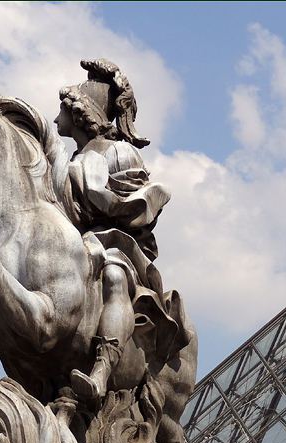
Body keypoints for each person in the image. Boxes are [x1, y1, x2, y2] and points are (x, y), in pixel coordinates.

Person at [55, 59, 186, 400]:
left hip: (117, 245)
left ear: (80, 114)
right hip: (72, 243)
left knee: (113, 275)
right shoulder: (64, 161)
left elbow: (138, 205)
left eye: (62, 110)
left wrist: (104, 199)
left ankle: (102, 368)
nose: (56, 119)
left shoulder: (120, 152)